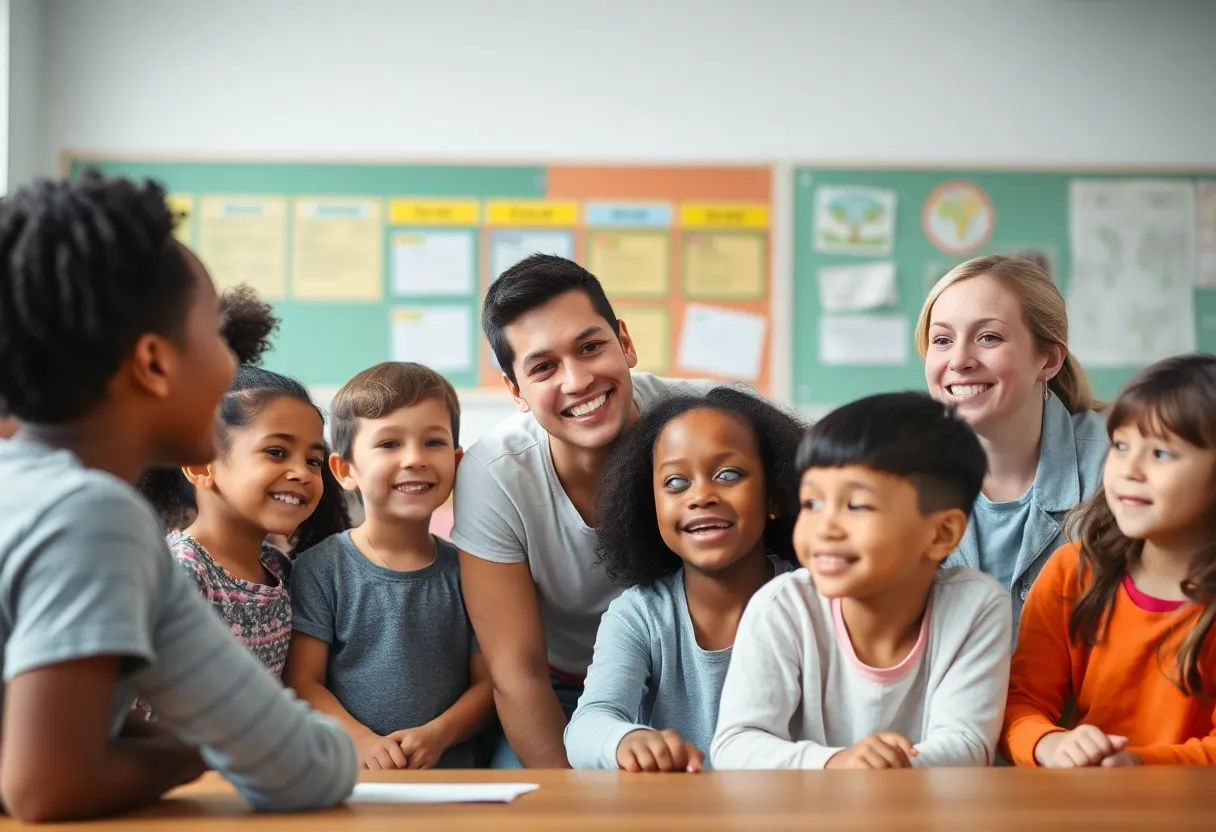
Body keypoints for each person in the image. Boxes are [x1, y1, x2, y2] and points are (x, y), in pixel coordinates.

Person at [0, 172, 355, 821]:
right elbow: (45, 786)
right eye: (215, 339)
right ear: (155, 363)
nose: (229, 365)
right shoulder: (94, 518)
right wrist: (196, 751)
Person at [451, 254, 716, 768]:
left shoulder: (713, 422)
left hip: (699, 684)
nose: (577, 381)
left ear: (626, 342)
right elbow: (517, 673)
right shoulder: (494, 475)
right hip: (564, 694)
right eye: (543, 367)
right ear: (515, 390)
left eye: (591, 347)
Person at [711, 392, 1012, 769]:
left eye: (856, 505)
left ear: (940, 534)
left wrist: (887, 770)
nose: (825, 528)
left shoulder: (976, 606)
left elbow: (968, 743)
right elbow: (736, 745)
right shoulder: (783, 607)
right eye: (812, 504)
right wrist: (838, 764)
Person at [564, 387, 804, 772]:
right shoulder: (640, 613)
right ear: (650, 505)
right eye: (676, 483)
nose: (701, 496)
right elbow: (587, 726)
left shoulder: (814, 601)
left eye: (728, 474)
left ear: (774, 496)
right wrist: (625, 739)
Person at [1002, 354, 1216, 767]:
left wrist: (1138, 763)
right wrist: (1049, 744)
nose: (1129, 469)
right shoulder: (1072, 571)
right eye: (1120, 445)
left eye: (1162, 454)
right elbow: (1019, 702)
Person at [285, 362, 494, 770]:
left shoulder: (471, 570)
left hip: (454, 776)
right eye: (389, 444)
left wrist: (439, 735)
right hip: (350, 772)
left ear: (456, 460)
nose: (414, 459)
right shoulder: (321, 569)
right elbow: (302, 682)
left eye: (433, 442)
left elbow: (488, 685)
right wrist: (360, 740)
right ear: (345, 470)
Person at [138, 285, 349, 678]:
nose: (302, 472)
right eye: (276, 452)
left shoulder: (278, 568)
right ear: (202, 464)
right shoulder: (182, 571)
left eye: (314, 460)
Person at [916, 254, 1107, 631]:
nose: (959, 360)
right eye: (942, 339)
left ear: (1049, 360)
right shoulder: (900, 474)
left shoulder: (1119, 462)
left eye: (989, 337)